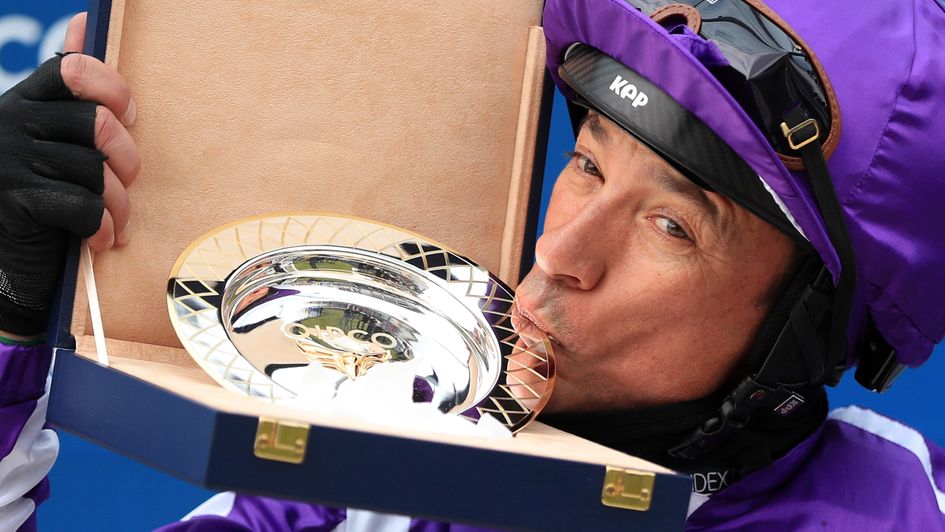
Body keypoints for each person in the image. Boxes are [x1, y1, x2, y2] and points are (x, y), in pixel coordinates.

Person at [1, 0, 944, 530]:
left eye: (670, 227)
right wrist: (6, 321)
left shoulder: (911, 509)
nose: (559, 253)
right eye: (585, 166)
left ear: (802, 333)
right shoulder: (369, 493)